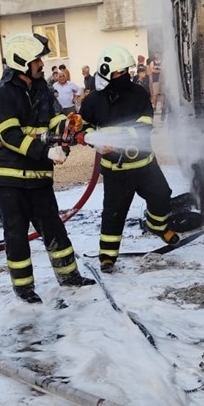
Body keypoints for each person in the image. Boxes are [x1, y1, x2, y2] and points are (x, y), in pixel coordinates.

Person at [0, 33, 93, 303]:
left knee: (54, 228)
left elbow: (55, 118)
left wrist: (68, 128)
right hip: (10, 180)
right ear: (21, 62)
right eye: (37, 60)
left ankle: (70, 277)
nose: (42, 64)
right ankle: (24, 290)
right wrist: (45, 151)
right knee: (16, 235)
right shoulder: (4, 96)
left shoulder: (41, 90)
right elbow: (10, 136)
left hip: (39, 177)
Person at [79, 45, 178, 272]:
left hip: (145, 165)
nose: (123, 77)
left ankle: (157, 226)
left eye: (125, 72)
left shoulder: (138, 93)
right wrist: (92, 139)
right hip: (115, 170)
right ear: (104, 73)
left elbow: (145, 125)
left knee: (162, 195)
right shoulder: (93, 101)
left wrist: (118, 135)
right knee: (114, 213)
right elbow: (82, 127)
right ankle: (107, 255)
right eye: (117, 73)